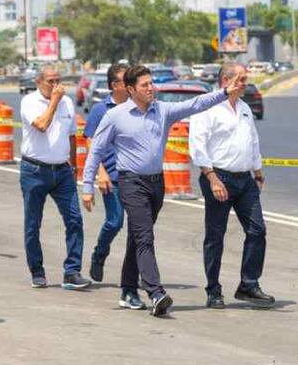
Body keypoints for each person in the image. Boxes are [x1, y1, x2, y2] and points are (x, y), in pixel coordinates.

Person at [82, 64, 246, 316]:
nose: (151, 88)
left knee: (137, 236)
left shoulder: (163, 111)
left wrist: (224, 93)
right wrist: (88, 186)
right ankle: (156, 292)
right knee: (145, 236)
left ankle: (127, 289)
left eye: (151, 83)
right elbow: (96, 150)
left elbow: (196, 104)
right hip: (130, 182)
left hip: (156, 183)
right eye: (145, 85)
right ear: (130, 89)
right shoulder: (116, 116)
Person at [189, 63, 275, 309]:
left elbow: (253, 141)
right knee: (216, 236)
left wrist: (258, 171)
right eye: (241, 79)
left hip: (244, 179)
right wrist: (212, 178)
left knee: (257, 230)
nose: (245, 83)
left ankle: (248, 284)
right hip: (218, 177)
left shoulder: (245, 108)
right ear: (226, 81)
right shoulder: (207, 107)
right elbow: (198, 146)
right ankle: (213, 290)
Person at [18, 66, 90, 291]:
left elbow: (71, 136)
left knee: (74, 219)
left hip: (62, 171)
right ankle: (37, 271)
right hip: (34, 171)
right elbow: (41, 125)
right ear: (39, 82)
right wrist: (54, 102)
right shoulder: (29, 102)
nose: (56, 85)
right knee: (33, 223)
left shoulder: (67, 103)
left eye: (59, 80)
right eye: (51, 80)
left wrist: (75, 166)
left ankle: (72, 271)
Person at [82, 63, 128, 283]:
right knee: (115, 221)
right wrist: (100, 172)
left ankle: (136, 272)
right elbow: (91, 141)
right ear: (114, 85)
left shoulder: (136, 106)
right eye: (124, 80)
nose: (129, 84)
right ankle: (99, 254)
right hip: (112, 176)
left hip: (136, 177)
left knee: (141, 229)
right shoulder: (101, 109)